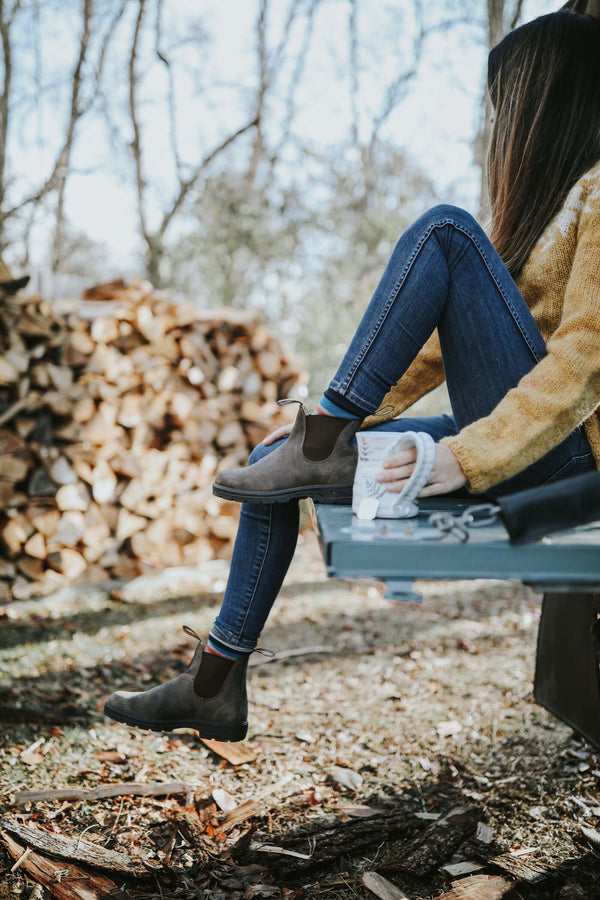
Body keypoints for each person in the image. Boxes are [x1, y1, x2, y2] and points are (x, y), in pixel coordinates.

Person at [104, 8, 600, 742]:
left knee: (443, 228)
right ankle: (214, 682)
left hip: (565, 462)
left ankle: (323, 435)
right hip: (514, 440)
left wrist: (465, 455)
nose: (503, 123)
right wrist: (336, 423)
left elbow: (584, 364)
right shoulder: (548, 205)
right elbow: (440, 349)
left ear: (554, 99)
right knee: (271, 464)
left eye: (511, 103)